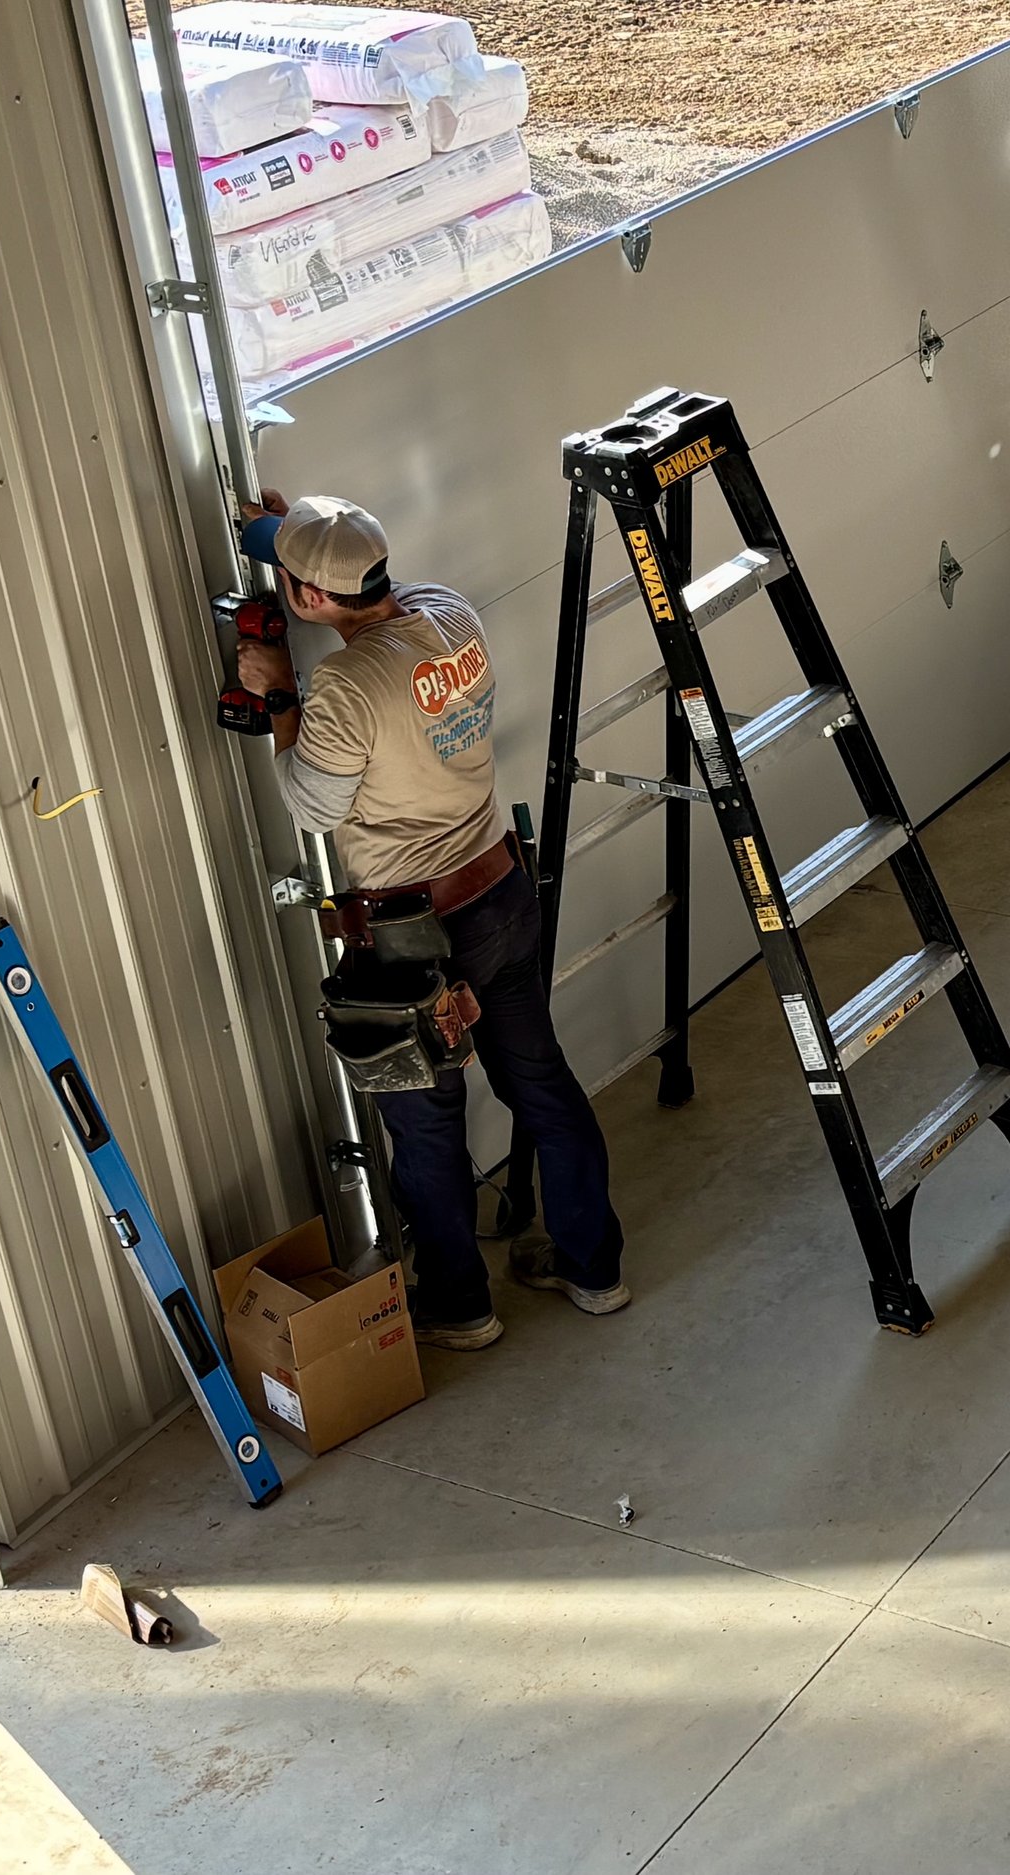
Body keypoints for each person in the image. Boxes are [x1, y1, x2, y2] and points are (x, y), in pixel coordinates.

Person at [235, 492, 626, 1351]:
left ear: (306, 599)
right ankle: (593, 1268)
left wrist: (277, 699)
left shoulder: (340, 685)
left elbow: (309, 805)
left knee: (425, 1125)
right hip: (498, 893)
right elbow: (352, 580)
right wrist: (297, 523)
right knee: (542, 1084)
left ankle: (461, 1306)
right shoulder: (448, 611)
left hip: (410, 935)